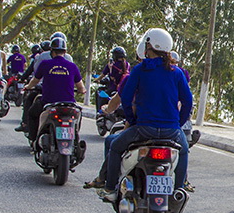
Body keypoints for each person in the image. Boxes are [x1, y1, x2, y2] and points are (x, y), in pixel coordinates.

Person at [88, 28, 192, 199]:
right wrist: (177, 125)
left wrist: (132, 119)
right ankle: (178, 191)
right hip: (171, 131)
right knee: (183, 151)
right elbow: (188, 102)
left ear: (149, 46)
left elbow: (126, 99)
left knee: (114, 147)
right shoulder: (177, 72)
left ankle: (110, 188)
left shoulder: (139, 70)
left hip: (144, 129)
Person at [19, 36, 85, 140]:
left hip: (48, 102)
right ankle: (75, 138)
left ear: (51, 51)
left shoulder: (45, 64)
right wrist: (82, 91)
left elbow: (35, 81)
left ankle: (33, 139)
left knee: (32, 113)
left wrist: (28, 86)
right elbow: (81, 87)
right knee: (78, 116)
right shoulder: (72, 66)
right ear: (65, 51)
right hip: (69, 103)